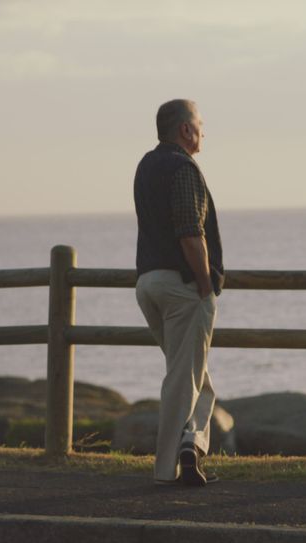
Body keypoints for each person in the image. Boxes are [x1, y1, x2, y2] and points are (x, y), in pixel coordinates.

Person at [133, 99, 225, 486]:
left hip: (147, 282)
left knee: (193, 379)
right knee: (181, 381)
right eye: (200, 124)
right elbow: (190, 231)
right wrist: (204, 283)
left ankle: (193, 445)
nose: (204, 131)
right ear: (186, 130)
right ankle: (164, 470)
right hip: (181, 286)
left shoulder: (145, 165)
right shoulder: (183, 168)